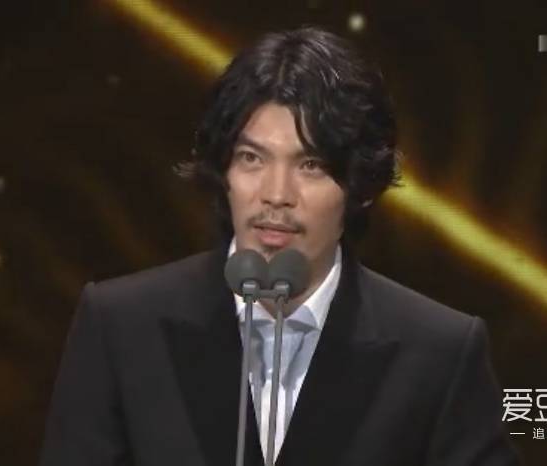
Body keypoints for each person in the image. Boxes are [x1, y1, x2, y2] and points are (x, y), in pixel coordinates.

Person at [39, 25, 521, 466]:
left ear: (361, 187)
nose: (275, 194)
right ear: (224, 171)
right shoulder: (121, 325)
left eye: (310, 165)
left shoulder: (439, 353)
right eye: (252, 158)